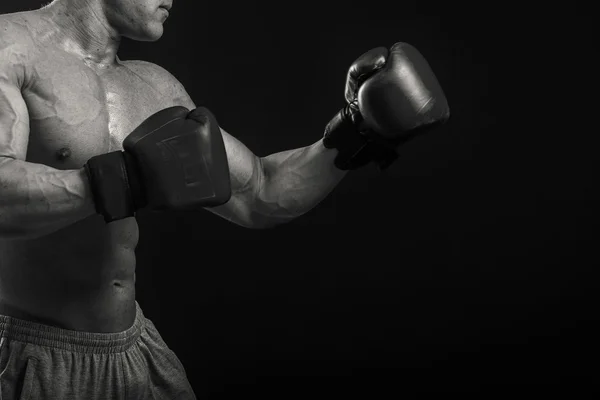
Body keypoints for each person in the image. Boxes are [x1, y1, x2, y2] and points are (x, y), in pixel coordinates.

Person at [0, 0, 449, 398]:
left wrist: (356, 132)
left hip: (132, 352)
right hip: (28, 357)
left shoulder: (153, 87)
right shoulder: (12, 45)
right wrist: (127, 177)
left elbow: (261, 192)